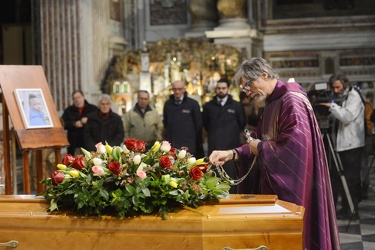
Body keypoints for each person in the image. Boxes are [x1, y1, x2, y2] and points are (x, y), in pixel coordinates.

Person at [209, 57, 340, 249]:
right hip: (274, 188)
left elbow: (294, 148)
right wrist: (232, 154)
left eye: (248, 86)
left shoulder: (292, 101)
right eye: (244, 89)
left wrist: (260, 147)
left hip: (294, 186)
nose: (248, 93)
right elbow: (257, 138)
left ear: (263, 75)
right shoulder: (273, 103)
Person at [318, 74, 365, 220]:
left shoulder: (354, 97)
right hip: (339, 144)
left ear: (345, 85)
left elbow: (347, 117)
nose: (335, 90)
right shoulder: (340, 98)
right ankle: (345, 207)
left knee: (351, 178)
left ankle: (352, 208)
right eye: (333, 87)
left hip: (351, 144)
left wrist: (331, 106)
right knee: (337, 177)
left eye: (338, 87)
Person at [202, 78, 246, 193]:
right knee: (214, 178)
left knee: (231, 178)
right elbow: (205, 124)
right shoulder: (208, 106)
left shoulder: (236, 106)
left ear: (228, 89)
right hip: (214, 147)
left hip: (231, 148)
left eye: (223, 88)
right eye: (218, 88)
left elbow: (242, 123)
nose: (221, 90)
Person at [163, 80, 203, 156]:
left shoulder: (193, 104)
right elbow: (166, 124)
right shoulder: (168, 104)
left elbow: (198, 125)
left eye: (180, 89)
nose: (177, 91)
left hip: (188, 145)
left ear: (184, 89)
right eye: (175, 89)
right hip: (172, 146)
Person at [61, 90, 98, 155]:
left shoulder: (93, 109)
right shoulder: (68, 110)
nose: (77, 100)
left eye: (79, 97)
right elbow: (63, 124)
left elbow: (99, 122)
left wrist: (88, 120)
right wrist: (74, 124)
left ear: (83, 97)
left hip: (90, 144)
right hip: (74, 144)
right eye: (75, 98)